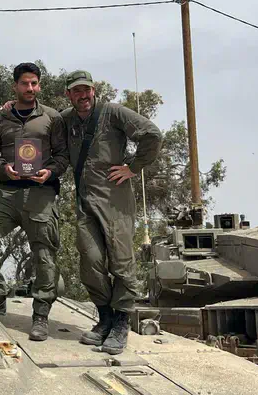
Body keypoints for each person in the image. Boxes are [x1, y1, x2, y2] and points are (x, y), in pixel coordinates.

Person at [0, 62, 69, 341]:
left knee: (44, 253)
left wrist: (51, 171)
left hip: (41, 192)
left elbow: (63, 156)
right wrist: (3, 168)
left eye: (34, 83)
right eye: (25, 83)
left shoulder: (52, 118)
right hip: (7, 191)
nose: (30, 88)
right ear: (16, 85)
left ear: (39, 85)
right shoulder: (1, 119)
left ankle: (40, 315)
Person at [61, 70, 162, 354]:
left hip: (115, 200)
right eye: (76, 91)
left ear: (94, 90)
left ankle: (121, 322)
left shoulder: (113, 113)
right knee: (90, 261)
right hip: (85, 201)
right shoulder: (66, 119)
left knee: (121, 262)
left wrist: (133, 167)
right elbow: (40, 121)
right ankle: (104, 317)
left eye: (87, 89)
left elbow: (152, 134)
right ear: (69, 94)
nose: (83, 95)